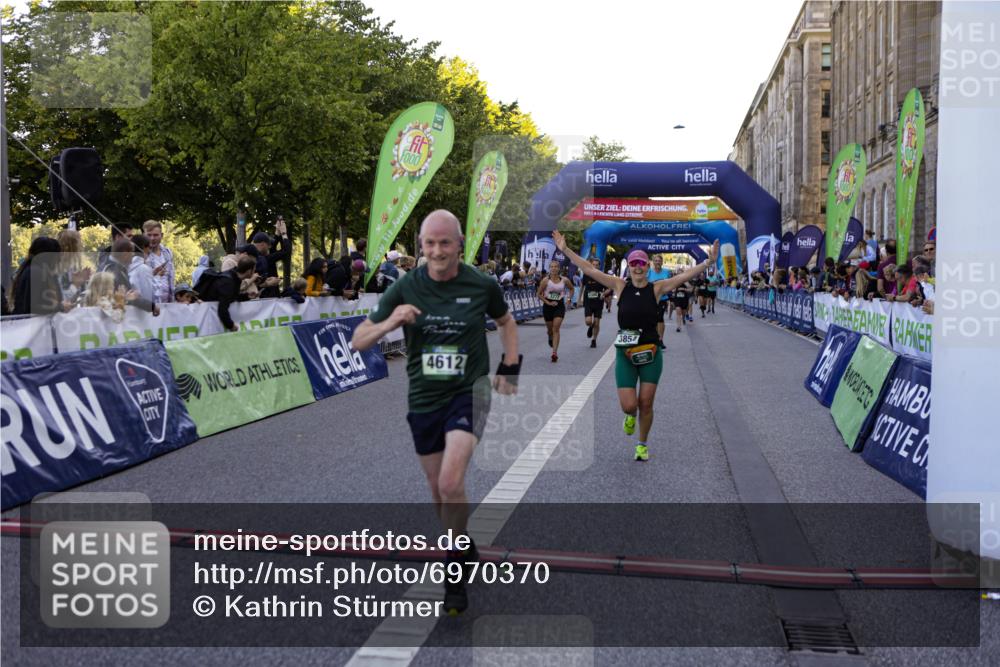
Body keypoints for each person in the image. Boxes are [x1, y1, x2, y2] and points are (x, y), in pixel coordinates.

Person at [351, 210, 520, 615]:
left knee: (450, 480)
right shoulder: (407, 285)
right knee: (437, 490)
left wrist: (510, 366)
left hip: (469, 391)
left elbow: (506, 321)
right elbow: (359, 340)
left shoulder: (480, 283)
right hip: (425, 398)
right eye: (430, 243)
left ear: (460, 244)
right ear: (421, 246)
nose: (438, 251)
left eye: (445, 243)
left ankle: (454, 574)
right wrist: (392, 318)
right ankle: (462, 544)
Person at [554, 230, 719, 462]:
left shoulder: (657, 288)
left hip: (651, 352)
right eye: (634, 263)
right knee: (630, 405)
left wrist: (708, 262)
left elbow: (684, 277)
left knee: (646, 402)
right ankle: (630, 416)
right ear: (629, 266)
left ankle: (642, 444)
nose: (638, 267)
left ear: (648, 266)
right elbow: (590, 269)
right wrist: (565, 250)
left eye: (642, 263)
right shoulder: (620, 286)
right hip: (626, 354)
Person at [193, 256, 257, 331]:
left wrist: (247, 296)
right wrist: (231, 326)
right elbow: (222, 310)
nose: (255, 272)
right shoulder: (228, 282)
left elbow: (231, 296)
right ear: (249, 271)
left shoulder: (234, 276)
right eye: (254, 269)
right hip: (208, 321)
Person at [9, 237, 65, 315]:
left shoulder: (32, 270)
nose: (59, 260)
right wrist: (60, 307)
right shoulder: (36, 272)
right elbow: (32, 307)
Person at [537, 259, 571, 362]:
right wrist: (548, 302)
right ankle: (550, 336)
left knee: (556, 328)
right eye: (551, 267)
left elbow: (572, 288)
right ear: (549, 268)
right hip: (548, 306)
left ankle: (554, 353)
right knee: (550, 329)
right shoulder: (545, 281)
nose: (553, 268)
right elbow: (538, 294)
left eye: (555, 266)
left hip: (559, 306)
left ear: (559, 268)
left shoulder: (564, 280)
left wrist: (569, 299)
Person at [142, 220, 175, 303]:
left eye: (155, 235)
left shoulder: (167, 252)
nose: (152, 238)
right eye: (149, 235)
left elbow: (171, 278)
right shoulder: (140, 255)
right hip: (149, 305)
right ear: (143, 235)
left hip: (167, 305)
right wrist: (153, 274)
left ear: (162, 235)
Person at [581, 257, 610, 348]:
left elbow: (609, 288)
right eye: (593, 264)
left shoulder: (602, 276)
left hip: (598, 301)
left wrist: (604, 293)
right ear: (591, 265)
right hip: (588, 301)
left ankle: (594, 340)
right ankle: (591, 326)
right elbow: (582, 287)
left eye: (597, 265)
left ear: (599, 266)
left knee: (597, 322)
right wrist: (579, 299)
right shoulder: (586, 274)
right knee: (588, 321)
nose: (595, 266)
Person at [646, 254, 672, 343]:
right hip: (651, 299)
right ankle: (654, 336)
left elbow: (670, 285)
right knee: (653, 318)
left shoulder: (667, 272)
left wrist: (668, 292)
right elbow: (645, 284)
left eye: (659, 261)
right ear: (653, 262)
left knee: (660, 317)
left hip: (662, 298)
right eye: (656, 260)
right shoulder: (649, 272)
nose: (657, 262)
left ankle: (660, 339)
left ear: (662, 262)